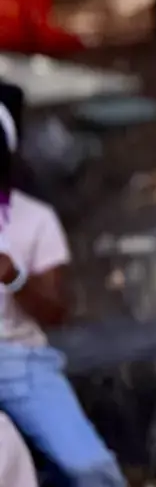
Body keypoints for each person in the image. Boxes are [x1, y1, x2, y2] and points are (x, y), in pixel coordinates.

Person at [0, 99, 125, 487]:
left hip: (20, 361)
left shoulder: (35, 219)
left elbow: (55, 313)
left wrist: (14, 277)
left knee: (91, 470)